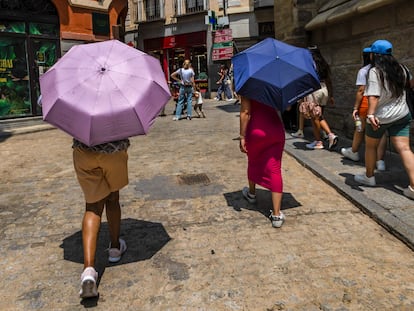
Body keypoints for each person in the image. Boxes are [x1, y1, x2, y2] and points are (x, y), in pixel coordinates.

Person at [353, 39, 414, 201]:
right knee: (405, 149)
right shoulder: (402, 68)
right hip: (402, 114)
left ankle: (369, 177)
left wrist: (371, 114)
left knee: (371, 147)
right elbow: (411, 85)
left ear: (374, 55)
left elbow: (373, 95)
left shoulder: (375, 72)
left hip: (380, 117)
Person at [73, 138, 129, 298]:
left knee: (93, 207)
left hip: (84, 152)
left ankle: (89, 270)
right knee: (112, 199)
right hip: (114, 150)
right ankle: (115, 248)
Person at [239, 95, 285, 228]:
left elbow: (245, 112)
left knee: (253, 161)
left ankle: (252, 194)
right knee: (275, 169)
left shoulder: (248, 85)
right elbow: (285, 107)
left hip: (256, 130)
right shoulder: (275, 84)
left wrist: (242, 136)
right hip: (275, 128)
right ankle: (276, 215)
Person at [341, 50, 387, 170]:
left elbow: (361, 90)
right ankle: (380, 161)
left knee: (360, 128)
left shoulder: (364, 70)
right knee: (381, 131)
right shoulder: (385, 69)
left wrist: (355, 107)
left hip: (367, 101)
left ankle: (354, 151)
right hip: (382, 101)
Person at [304, 46, 338, 150]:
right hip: (324, 89)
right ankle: (327, 136)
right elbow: (329, 81)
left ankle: (321, 140)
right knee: (319, 116)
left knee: (315, 118)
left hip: (314, 90)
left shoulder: (310, 65)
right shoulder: (323, 64)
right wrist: (331, 95)